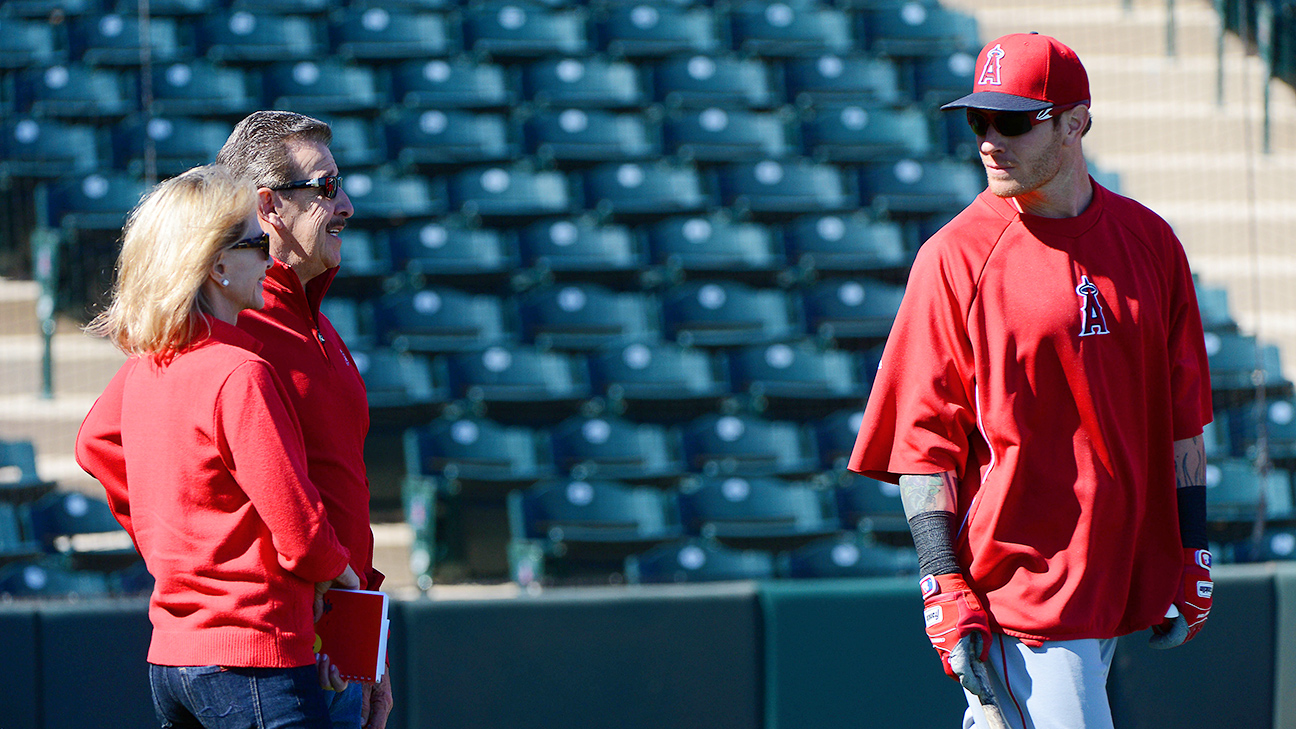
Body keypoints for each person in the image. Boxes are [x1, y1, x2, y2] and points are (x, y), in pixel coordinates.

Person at [848, 33, 1214, 729]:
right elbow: (922, 446)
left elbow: (1182, 419)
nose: (989, 139)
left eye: (1013, 121)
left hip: (1115, 578)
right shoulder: (953, 257)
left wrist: (1193, 543)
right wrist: (942, 579)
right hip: (1023, 591)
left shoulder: (1150, 241)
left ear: (1075, 122)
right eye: (977, 121)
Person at [75, 164, 361, 728]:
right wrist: (347, 587)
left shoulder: (150, 365)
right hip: (254, 658)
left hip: (174, 658)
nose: (269, 259)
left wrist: (179, 546)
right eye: (257, 244)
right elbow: (302, 538)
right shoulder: (239, 372)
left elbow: (95, 444)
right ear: (217, 264)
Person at [215, 111, 393, 729]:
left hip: (339, 651)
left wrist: (372, 655)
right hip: (280, 657)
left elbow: (337, 491)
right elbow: (109, 443)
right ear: (268, 206)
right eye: (324, 188)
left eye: (340, 184)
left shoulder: (319, 324)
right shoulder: (235, 324)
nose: (344, 205)